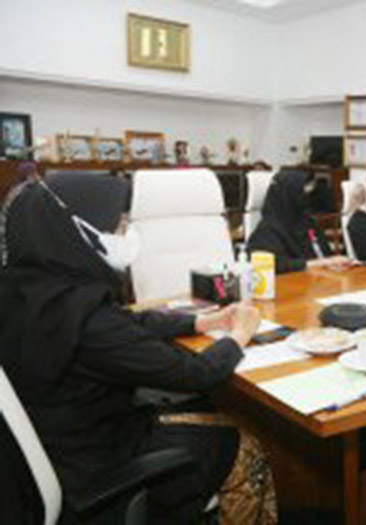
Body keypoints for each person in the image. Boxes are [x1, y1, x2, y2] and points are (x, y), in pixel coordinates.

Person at [0, 172, 277, 524]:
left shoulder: (35, 290)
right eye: (116, 226)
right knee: (245, 443)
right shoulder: (89, 321)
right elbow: (195, 373)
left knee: (206, 410)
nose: (124, 233)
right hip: (100, 469)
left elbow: (126, 321)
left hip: (61, 449)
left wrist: (199, 323)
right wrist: (239, 335)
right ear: (77, 232)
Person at [247, 169, 350, 273]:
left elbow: (324, 254)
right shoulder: (266, 231)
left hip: (322, 277)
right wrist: (320, 263)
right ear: (288, 195)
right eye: (301, 193)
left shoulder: (307, 221)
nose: (306, 199)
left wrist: (335, 262)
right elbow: (276, 265)